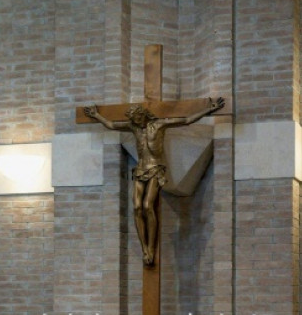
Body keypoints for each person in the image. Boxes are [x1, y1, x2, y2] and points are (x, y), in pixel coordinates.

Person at [83, 98, 225, 266]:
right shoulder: (133, 127)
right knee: (136, 207)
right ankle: (145, 248)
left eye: (137, 118)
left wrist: (208, 110)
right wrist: (96, 115)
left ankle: (151, 247)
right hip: (140, 170)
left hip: (156, 169)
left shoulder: (159, 125)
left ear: (143, 116)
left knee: (148, 205)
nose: (135, 121)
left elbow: (185, 120)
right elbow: (112, 125)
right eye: (133, 119)